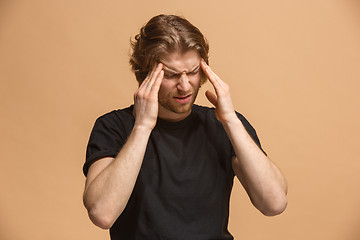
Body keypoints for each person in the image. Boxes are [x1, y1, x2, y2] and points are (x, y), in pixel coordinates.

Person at [82, 14, 287, 239]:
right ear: (144, 75)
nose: (184, 85)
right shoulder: (113, 127)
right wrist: (142, 126)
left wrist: (230, 120)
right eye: (170, 75)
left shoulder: (224, 125)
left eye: (192, 72)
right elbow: (102, 214)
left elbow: (274, 203)